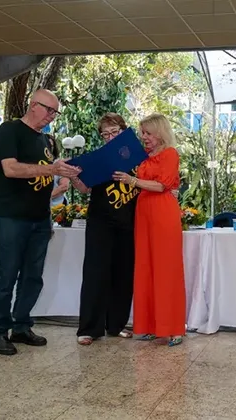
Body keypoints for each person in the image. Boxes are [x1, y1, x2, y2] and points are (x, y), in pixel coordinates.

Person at [0, 89, 81, 356]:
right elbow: (11, 169)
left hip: (39, 216)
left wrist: (63, 172)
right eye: (48, 109)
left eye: (55, 112)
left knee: (32, 276)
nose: (51, 115)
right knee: (7, 274)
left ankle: (22, 325)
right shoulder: (9, 130)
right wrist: (52, 169)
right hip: (9, 214)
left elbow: (46, 177)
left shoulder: (47, 141)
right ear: (32, 105)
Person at [113, 113, 185, 347]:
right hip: (144, 212)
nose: (144, 137)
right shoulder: (144, 156)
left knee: (166, 268)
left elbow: (162, 184)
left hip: (163, 212)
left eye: (148, 133)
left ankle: (173, 327)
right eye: (142, 133)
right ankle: (151, 326)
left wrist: (132, 181)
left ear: (160, 133)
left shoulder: (170, 154)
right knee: (146, 267)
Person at [72, 113, 137, 345]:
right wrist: (74, 178)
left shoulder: (137, 156)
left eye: (114, 132)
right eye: (105, 134)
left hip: (128, 223)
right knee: (95, 273)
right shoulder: (98, 159)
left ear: (124, 131)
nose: (109, 137)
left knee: (123, 275)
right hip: (100, 222)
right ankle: (88, 328)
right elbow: (84, 188)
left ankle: (116, 324)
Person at [47, 135, 70, 208]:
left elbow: (64, 187)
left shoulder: (59, 163)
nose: (48, 148)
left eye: (51, 146)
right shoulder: (32, 164)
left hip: (57, 207)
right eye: (46, 146)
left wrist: (43, 199)